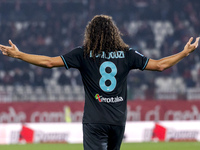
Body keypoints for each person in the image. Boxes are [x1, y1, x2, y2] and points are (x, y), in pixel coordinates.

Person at [0, 15, 199, 150]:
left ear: (90, 33)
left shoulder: (83, 53)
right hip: (117, 121)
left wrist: (19, 55)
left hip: (94, 121)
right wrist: (184, 53)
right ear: (114, 32)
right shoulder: (128, 54)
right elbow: (160, 65)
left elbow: (49, 62)